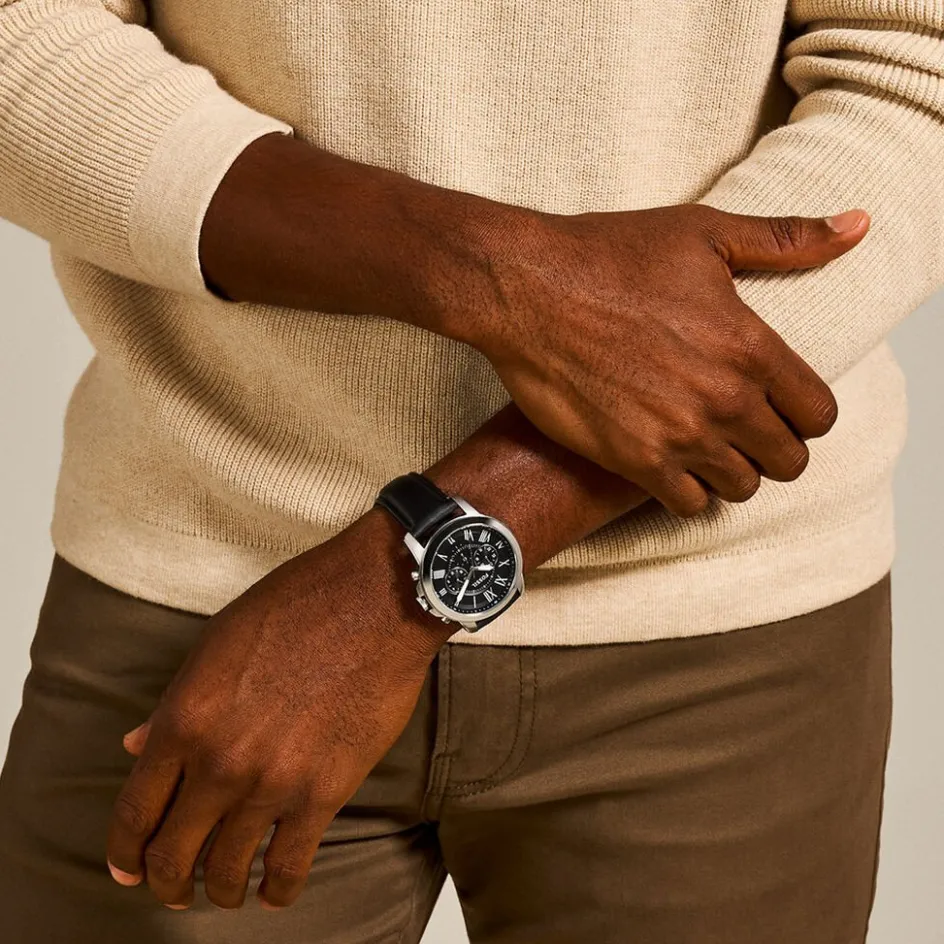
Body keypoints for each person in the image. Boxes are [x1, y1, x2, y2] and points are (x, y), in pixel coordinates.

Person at [0, 0, 938, 941]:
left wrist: (393, 585)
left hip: (721, 643)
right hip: (202, 609)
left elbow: (914, 68)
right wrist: (505, 278)